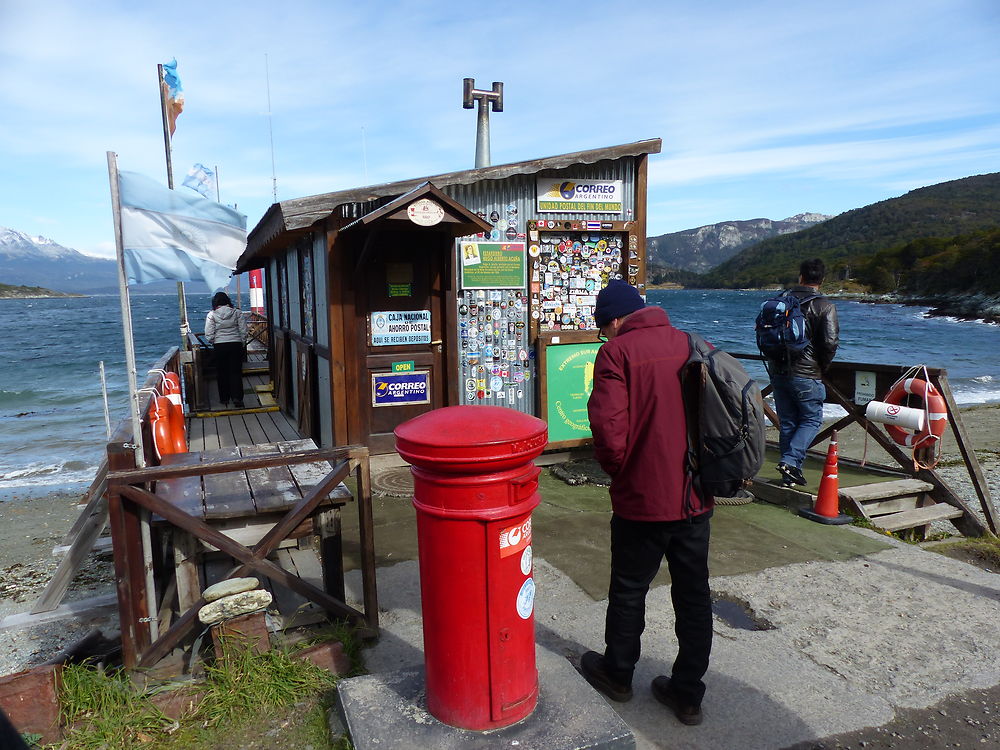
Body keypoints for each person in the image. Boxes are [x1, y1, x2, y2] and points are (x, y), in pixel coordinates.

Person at [581, 279, 713, 726]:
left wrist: (620, 471)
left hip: (642, 498)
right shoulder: (693, 343)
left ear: (616, 319)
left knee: (630, 589)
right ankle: (688, 694)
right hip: (696, 493)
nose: (606, 334)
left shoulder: (616, 353)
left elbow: (608, 430)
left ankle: (618, 674)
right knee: (694, 595)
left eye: (604, 327)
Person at [767, 258, 840, 486]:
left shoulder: (781, 301)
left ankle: (788, 475)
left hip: (777, 371)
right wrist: (822, 367)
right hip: (806, 374)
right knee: (811, 419)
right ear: (822, 280)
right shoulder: (824, 306)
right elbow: (829, 343)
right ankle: (790, 461)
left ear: (800, 277)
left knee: (788, 421)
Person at [205, 291, 248, 409]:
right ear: (228, 301)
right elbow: (243, 330)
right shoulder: (237, 313)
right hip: (235, 344)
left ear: (215, 302)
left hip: (220, 346)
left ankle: (224, 398)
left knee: (222, 372)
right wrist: (242, 342)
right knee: (235, 372)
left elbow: (209, 334)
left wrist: (214, 341)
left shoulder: (212, 315)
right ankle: (237, 398)